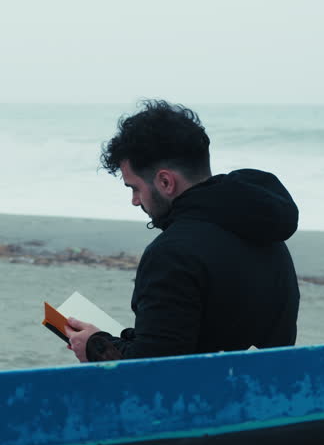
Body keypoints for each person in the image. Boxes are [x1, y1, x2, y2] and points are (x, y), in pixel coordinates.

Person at [65, 100, 300, 362]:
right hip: (273, 391)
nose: (134, 200)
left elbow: (154, 369)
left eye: (134, 188)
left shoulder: (173, 253)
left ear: (166, 182)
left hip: (209, 397)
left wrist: (95, 346)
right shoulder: (265, 228)